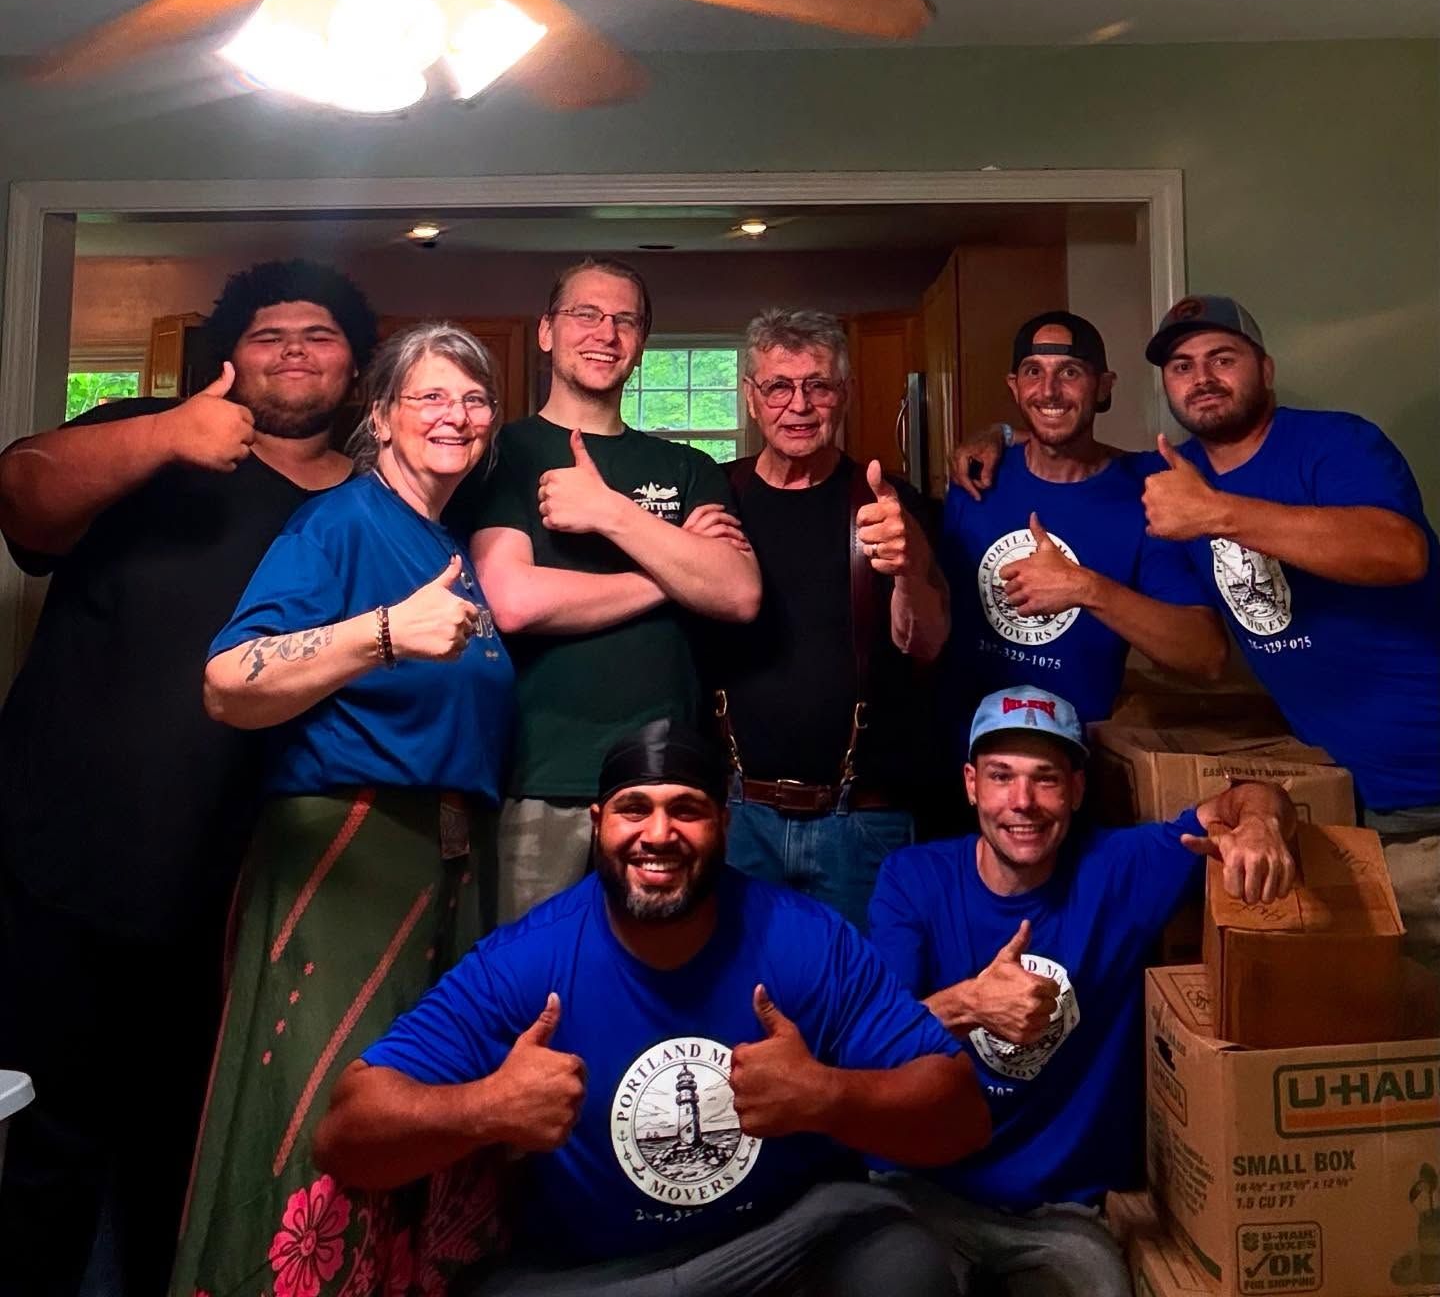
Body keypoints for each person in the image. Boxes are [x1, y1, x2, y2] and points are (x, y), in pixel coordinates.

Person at [315, 719, 991, 1297]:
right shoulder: (527, 961)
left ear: (725, 822)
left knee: (901, 1257)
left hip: (775, 1246)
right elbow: (345, 1134)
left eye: (687, 810)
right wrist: (486, 1108)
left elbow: (960, 1116)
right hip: (598, 1274)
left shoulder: (805, 940)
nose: (659, 834)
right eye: (634, 808)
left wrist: (827, 1096)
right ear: (598, 823)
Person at [0, 259, 372, 1297]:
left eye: (320, 335)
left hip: (239, 885)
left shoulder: (373, 507)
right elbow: (23, 497)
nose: (294, 350)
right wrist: (169, 436)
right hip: (57, 853)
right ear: (229, 358)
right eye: (269, 334)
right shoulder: (147, 436)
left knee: (189, 1149)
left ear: (354, 371)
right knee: (46, 1137)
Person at [170, 322, 516, 1297]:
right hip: (348, 861)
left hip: (444, 867)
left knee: (419, 1119)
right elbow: (228, 681)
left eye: (474, 399)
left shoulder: (448, 543)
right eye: (432, 397)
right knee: (332, 1113)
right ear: (383, 419)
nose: (456, 415)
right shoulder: (341, 523)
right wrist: (383, 633)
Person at [869, 685, 1297, 1296]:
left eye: (1045, 779)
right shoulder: (912, 880)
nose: (1022, 802)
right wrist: (969, 1004)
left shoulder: (1118, 869)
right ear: (971, 785)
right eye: (1001, 776)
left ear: (1075, 788)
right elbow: (874, 1047)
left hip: (1060, 1213)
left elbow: (1248, 797)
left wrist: (1256, 824)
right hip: (924, 1190)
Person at [1136, 294, 1440, 974]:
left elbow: (1401, 551)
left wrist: (1218, 512)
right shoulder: (1167, 480)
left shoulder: (1336, 442)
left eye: (1223, 358)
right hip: (1349, 804)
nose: (1202, 376)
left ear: (1265, 369)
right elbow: (1203, 654)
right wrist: (995, 445)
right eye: (1182, 366)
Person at [458, 257, 761, 923]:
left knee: (662, 985)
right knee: (535, 990)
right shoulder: (501, 454)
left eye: (626, 319)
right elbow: (513, 599)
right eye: (586, 314)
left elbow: (738, 593)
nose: (606, 333)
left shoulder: (687, 466)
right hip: (543, 778)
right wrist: (675, 573)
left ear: (642, 341)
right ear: (546, 331)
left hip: (669, 781)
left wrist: (609, 513)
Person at [710, 309, 950, 929]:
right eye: (778, 387)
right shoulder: (716, 497)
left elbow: (924, 643)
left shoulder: (889, 502)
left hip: (863, 822)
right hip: (738, 816)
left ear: (843, 394)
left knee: (864, 1009)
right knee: (742, 1003)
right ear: (751, 396)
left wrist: (910, 566)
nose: (799, 405)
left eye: (818, 385)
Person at [939, 311, 1225, 738]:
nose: (1049, 391)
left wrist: (1084, 588)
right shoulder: (975, 480)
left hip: (1074, 762)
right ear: (1014, 387)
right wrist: (996, 432)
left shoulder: (1145, 494)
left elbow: (1206, 656)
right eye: (1033, 372)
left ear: (1103, 386)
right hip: (961, 755)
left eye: (1069, 372)